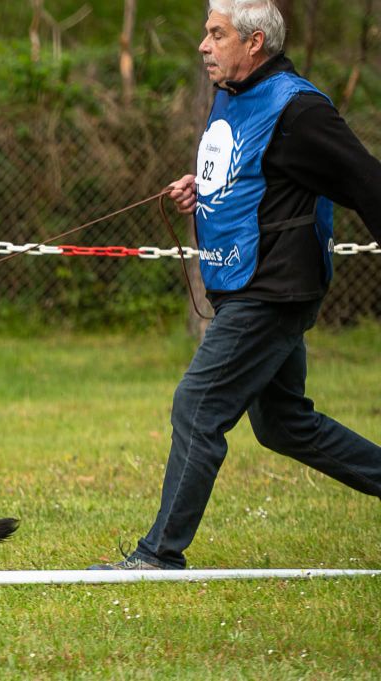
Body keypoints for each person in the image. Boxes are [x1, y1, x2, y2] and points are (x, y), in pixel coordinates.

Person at [92, 0, 381, 570]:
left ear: (254, 43)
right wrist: (201, 187)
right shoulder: (235, 96)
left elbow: (364, 179)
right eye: (206, 32)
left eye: (216, 34)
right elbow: (254, 174)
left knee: (197, 404)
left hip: (272, 289)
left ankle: (159, 555)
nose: (203, 45)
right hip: (246, 282)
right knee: (284, 425)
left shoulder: (298, 109)